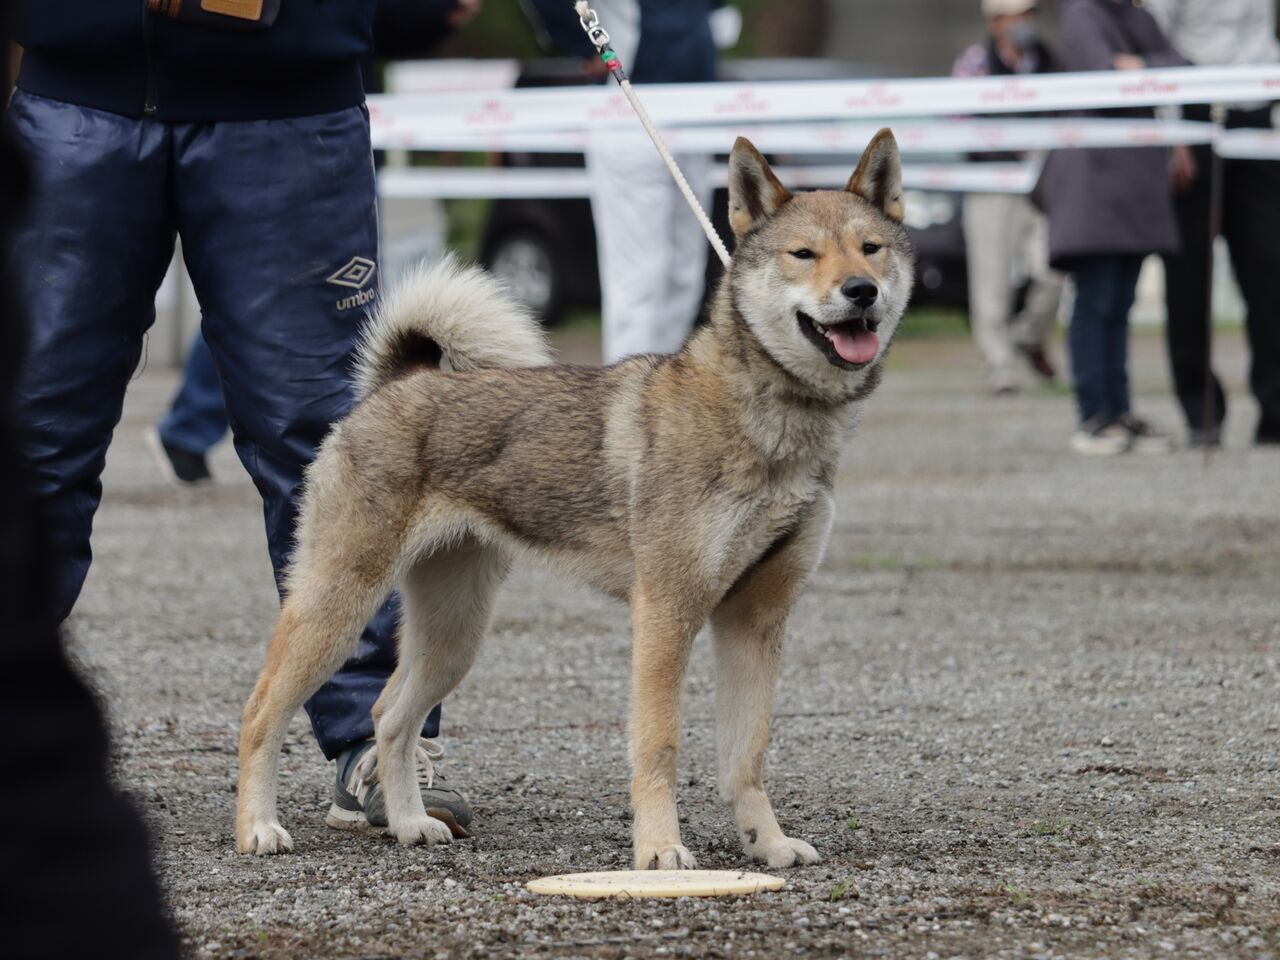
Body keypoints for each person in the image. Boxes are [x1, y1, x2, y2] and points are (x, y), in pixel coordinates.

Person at [9, 0, 477, 839]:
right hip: (77, 89)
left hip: (288, 105)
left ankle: (377, 740)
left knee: (331, 441)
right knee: (31, 434)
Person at [526, 0, 720, 363]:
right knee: (639, 281)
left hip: (694, 116)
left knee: (684, 275)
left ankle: (665, 396)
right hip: (629, 108)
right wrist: (583, 44)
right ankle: (629, 400)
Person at [1040, 0, 1187, 455]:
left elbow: (1180, 65)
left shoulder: (1137, 16)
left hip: (1136, 184)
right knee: (1096, 300)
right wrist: (1141, 68)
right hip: (1095, 183)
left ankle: (1120, 412)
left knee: (1119, 303)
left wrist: (1139, 64)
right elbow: (1105, 74)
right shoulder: (1081, 11)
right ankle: (1095, 417)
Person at [1146, 0, 1280, 448]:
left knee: (1269, 267)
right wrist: (1172, 132)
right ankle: (1201, 410)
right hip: (1193, 109)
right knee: (1188, 274)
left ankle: (1275, 409)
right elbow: (1156, 39)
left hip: (1258, 108)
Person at [953, 0, 1065, 395]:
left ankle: (1029, 335)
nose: (1027, 23)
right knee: (991, 281)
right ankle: (1000, 365)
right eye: (1019, 15)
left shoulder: (1050, 59)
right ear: (997, 22)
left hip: (1042, 185)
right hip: (991, 184)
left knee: (1055, 269)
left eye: (1031, 14)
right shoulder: (976, 62)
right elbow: (958, 120)